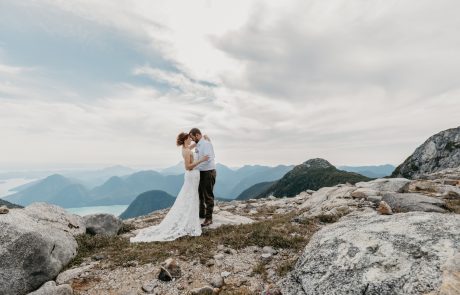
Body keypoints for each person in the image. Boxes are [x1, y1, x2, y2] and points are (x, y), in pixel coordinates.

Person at [130, 132, 209, 242]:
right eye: (189, 138)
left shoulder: (186, 148)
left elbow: (191, 147)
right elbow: (188, 167)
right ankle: (188, 220)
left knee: (191, 196)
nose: (191, 139)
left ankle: (190, 218)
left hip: (193, 177)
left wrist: (200, 141)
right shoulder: (186, 151)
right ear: (185, 139)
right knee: (190, 196)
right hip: (192, 175)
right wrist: (201, 160)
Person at [189, 128, 216, 227]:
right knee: (200, 194)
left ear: (197, 135)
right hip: (201, 172)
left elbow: (208, 159)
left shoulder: (205, 144)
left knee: (208, 195)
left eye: (192, 137)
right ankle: (202, 214)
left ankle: (209, 219)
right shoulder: (199, 144)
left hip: (208, 172)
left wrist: (194, 166)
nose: (192, 140)